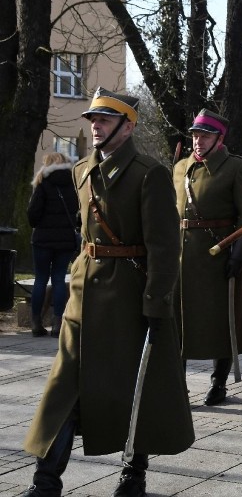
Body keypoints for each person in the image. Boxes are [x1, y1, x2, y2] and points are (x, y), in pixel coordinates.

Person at [21, 88, 194, 497]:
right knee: (64, 386)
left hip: (129, 296)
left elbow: (165, 246)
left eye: (104, 119)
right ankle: (45, 482)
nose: (95, 125)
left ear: (127, 125)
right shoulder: (81, 169)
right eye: (93, 119)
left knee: (136, 387)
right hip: (84, 294)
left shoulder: (148, 173)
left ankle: (133, 475)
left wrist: (156, 301)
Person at [173, 109, 242, 406]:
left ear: (219, 138)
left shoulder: (236, 168)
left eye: (205, 135)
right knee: (178, 321)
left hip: (218, 255)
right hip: (182, 257)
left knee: (221, 321)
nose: (198, 141)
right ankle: (177, 384)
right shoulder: (181, 167)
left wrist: (239, 254)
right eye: (195, 135)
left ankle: (218, 383)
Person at [26, 153, 79, 338]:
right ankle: (57, 324)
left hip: (42, 239)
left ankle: (36, 323)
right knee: (58, 278)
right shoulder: (74, 184)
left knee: (40, 279)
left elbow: (33, 214)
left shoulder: (43, 183)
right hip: (65, 240)